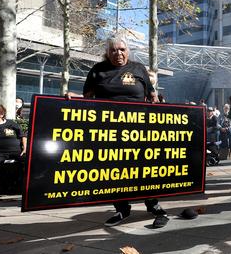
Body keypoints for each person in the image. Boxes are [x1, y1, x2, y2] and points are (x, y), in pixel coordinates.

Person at [72, 35, 168, 228]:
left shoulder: (138, 69)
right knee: (114, 170)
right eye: (114, 50)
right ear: (107, 53)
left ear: (128, 51)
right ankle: (122, 208)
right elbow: (87, 98)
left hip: (139, 130)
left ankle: (153, 204)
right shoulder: (98, 70)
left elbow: (153, 97)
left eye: (122, 49)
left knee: (143, 168)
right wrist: (71, 98)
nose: (118, 53)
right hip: (108, 131)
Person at [0, 104, 26, 194]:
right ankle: (10, 182)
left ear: (1, 114)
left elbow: (22, 136)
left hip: (16, 151)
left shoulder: (11, 123)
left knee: (28, 161)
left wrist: (25, 148)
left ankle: (18, 183)